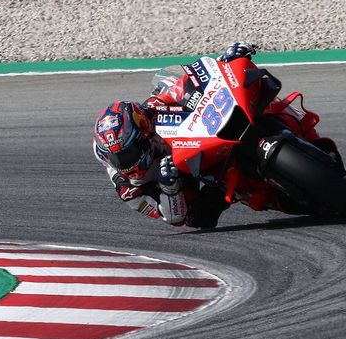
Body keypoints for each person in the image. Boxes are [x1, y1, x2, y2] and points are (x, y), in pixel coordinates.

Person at [94, 43, 259, 228]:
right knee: (197, 217)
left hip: (191, 144)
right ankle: (233, 188)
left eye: (128, 154)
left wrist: (224, 63)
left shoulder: (150, 111)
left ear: (143, 134)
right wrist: (169, 189)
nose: (124, 164)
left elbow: (188, 83)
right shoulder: (129, 191)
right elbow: (174, 219)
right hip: (176, 182)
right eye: (117, 159)